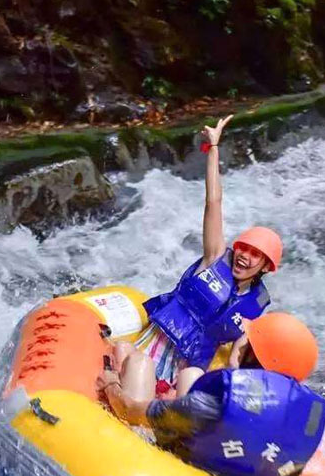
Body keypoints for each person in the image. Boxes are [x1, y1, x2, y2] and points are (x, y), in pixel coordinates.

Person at [114, 115, 283, 401]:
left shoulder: (256, 306)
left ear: (266, 267)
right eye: (244, 248)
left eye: (256, 255)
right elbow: (213, 202)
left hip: (188, 367)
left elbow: (242, 352)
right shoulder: (215, 258)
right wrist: (214, 148)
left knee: (183, 387)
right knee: (126, 358)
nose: (245, 256)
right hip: (157, 345)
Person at [98, 313, 325, 476]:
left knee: (140, 362)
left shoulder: (211, 405)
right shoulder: (305, 425)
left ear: (251, 354)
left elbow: (127, 410)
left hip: (176, 471)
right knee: (191, 375)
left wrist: (111, 384)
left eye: (248, 344)